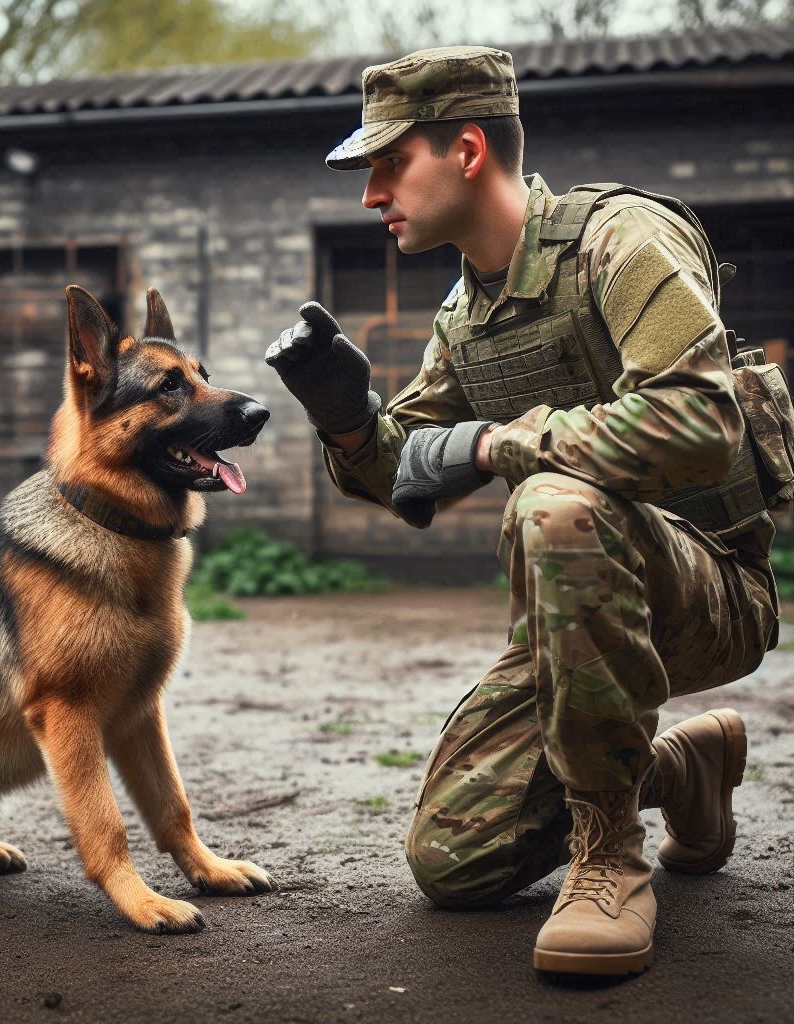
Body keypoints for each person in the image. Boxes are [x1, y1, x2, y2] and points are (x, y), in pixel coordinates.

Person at [265, 45, 788, 975]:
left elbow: (699, 423)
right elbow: (406, 476)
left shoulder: (622, 240)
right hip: (579, 609)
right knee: (453, 862)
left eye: (391, 163)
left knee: (550, 501)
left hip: (714, 589)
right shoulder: (467, 318)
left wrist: (501, 443)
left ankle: (610, 858)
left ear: (467, 150)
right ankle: (684, 769)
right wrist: (347, 419)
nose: (371, 194)